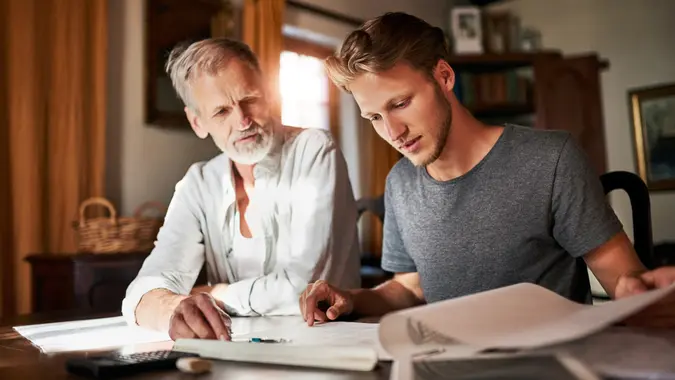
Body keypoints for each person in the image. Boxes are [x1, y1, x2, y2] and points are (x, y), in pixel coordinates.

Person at [299, 12, 675, 327]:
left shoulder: (550, 159)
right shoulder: (399, 184)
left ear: (444, 77)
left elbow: (622, 277)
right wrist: (351, 299)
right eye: (375, 117)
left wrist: (635, 290)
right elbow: (411, 288)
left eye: (400, 103)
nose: (392, 132)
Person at [122, 38, 361, 340]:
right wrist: (173, 306)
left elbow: (302, 289)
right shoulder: (199, 183)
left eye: (250, 99)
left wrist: (214, 293)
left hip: (330, 345)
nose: (243, 120)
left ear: (270, 95)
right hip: (239, 352)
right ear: (197, 122)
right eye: (221, 112)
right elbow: (141, 293)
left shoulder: (313, 150)